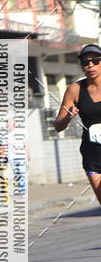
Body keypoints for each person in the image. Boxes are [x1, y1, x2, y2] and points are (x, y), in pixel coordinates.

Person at [55, 43, 101, 204]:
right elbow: (58, 126)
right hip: (92, 154)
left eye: (96, 61)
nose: (90, 65)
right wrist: (68, 117)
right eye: (85, 62)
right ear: (81, 66)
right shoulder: (75, 89)